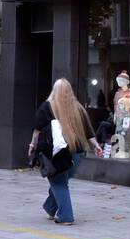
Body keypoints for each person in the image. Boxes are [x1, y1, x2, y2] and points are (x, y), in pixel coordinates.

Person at [28, 78, 102, 225]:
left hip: (57, 154)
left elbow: (37, 130)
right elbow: (88, 131)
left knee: (59, 183)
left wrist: (32, 145)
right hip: (77, 154)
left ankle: (66, 217)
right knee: (60, 180)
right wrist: (96, 146)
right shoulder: (78, 108)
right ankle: (50, 208)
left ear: (54, 90)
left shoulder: (47, 107)